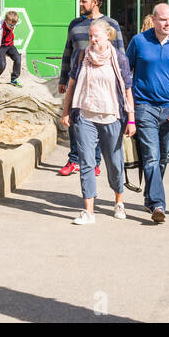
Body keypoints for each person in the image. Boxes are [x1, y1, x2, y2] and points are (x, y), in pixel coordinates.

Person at [60, 20, 135, 225]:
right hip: (85, 116)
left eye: (96, 36)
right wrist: (66, 111)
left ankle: (118, 200)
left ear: (107, 36)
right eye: (91, 36)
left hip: (112, 116)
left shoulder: (119, 58)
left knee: (114, 163)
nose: (92, 40)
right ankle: (89, 212)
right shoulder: (82, 56)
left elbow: (127, 89)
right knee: (86, 162)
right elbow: (71, 86)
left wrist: (131, 119)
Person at [125, 3, 169, 222]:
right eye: (163, 19)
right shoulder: (139, 41)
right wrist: (128, 108)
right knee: (151, 157)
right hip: (144, 106)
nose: (168, 23)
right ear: (153, 20)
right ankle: (158, 205)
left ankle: (150, 198)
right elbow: (126, 72)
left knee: (162, 159)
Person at [57, 0, 124, 177]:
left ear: (95, 2)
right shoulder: (75, 25)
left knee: (94, 121)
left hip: (102, 84)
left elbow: (120, 55)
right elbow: (67, 51)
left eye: (83, 1)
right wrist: (63, 78)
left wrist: (122, 85)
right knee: (75, 120)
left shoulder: (111, 24)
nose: (80, 4)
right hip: (76, 82)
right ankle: (74, 159)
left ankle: (93, 162)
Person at [0, 10, 23, 86]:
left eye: (13, 25)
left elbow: (16, 22)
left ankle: (14, 79)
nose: (11, 27)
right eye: (10, 25)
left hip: (10, 45)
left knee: (18, 59)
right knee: (2, 64)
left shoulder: (12, 23)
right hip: (1, 46)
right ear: (6, 21)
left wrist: (14, 24)